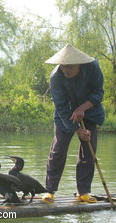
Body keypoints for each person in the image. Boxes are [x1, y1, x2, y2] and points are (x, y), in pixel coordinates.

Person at [41, 44, 105, 204]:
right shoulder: (56, 77)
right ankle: (49, 191)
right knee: (58, 150)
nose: (66, 70)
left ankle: (83, 192)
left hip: (90, 111)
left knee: (88, 152)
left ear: (79, 64)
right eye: (63, 66)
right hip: (65, 115)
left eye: (70, 67)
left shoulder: (93, 68)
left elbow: (99, 92)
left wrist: (82, 108)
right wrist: (77, 130)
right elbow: (61, 106)